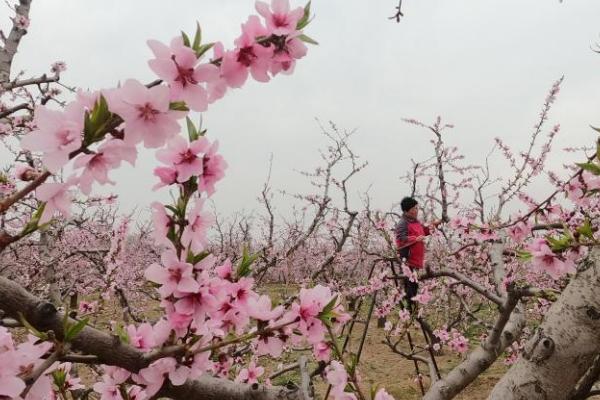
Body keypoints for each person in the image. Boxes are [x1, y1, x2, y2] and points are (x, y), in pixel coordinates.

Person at [394, 197, 442, 302]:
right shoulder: (403, 223)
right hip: (408, 261)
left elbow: (424, 231)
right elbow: (400, 239)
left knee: (414, 288)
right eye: (414, 208)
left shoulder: (416, 222)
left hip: (416, 261)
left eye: (417, 208)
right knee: (410, 290)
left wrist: (435, 225)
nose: (417, 210)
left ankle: (412, 312)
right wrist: (415, 239)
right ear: (407, 210)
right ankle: (411, 313)